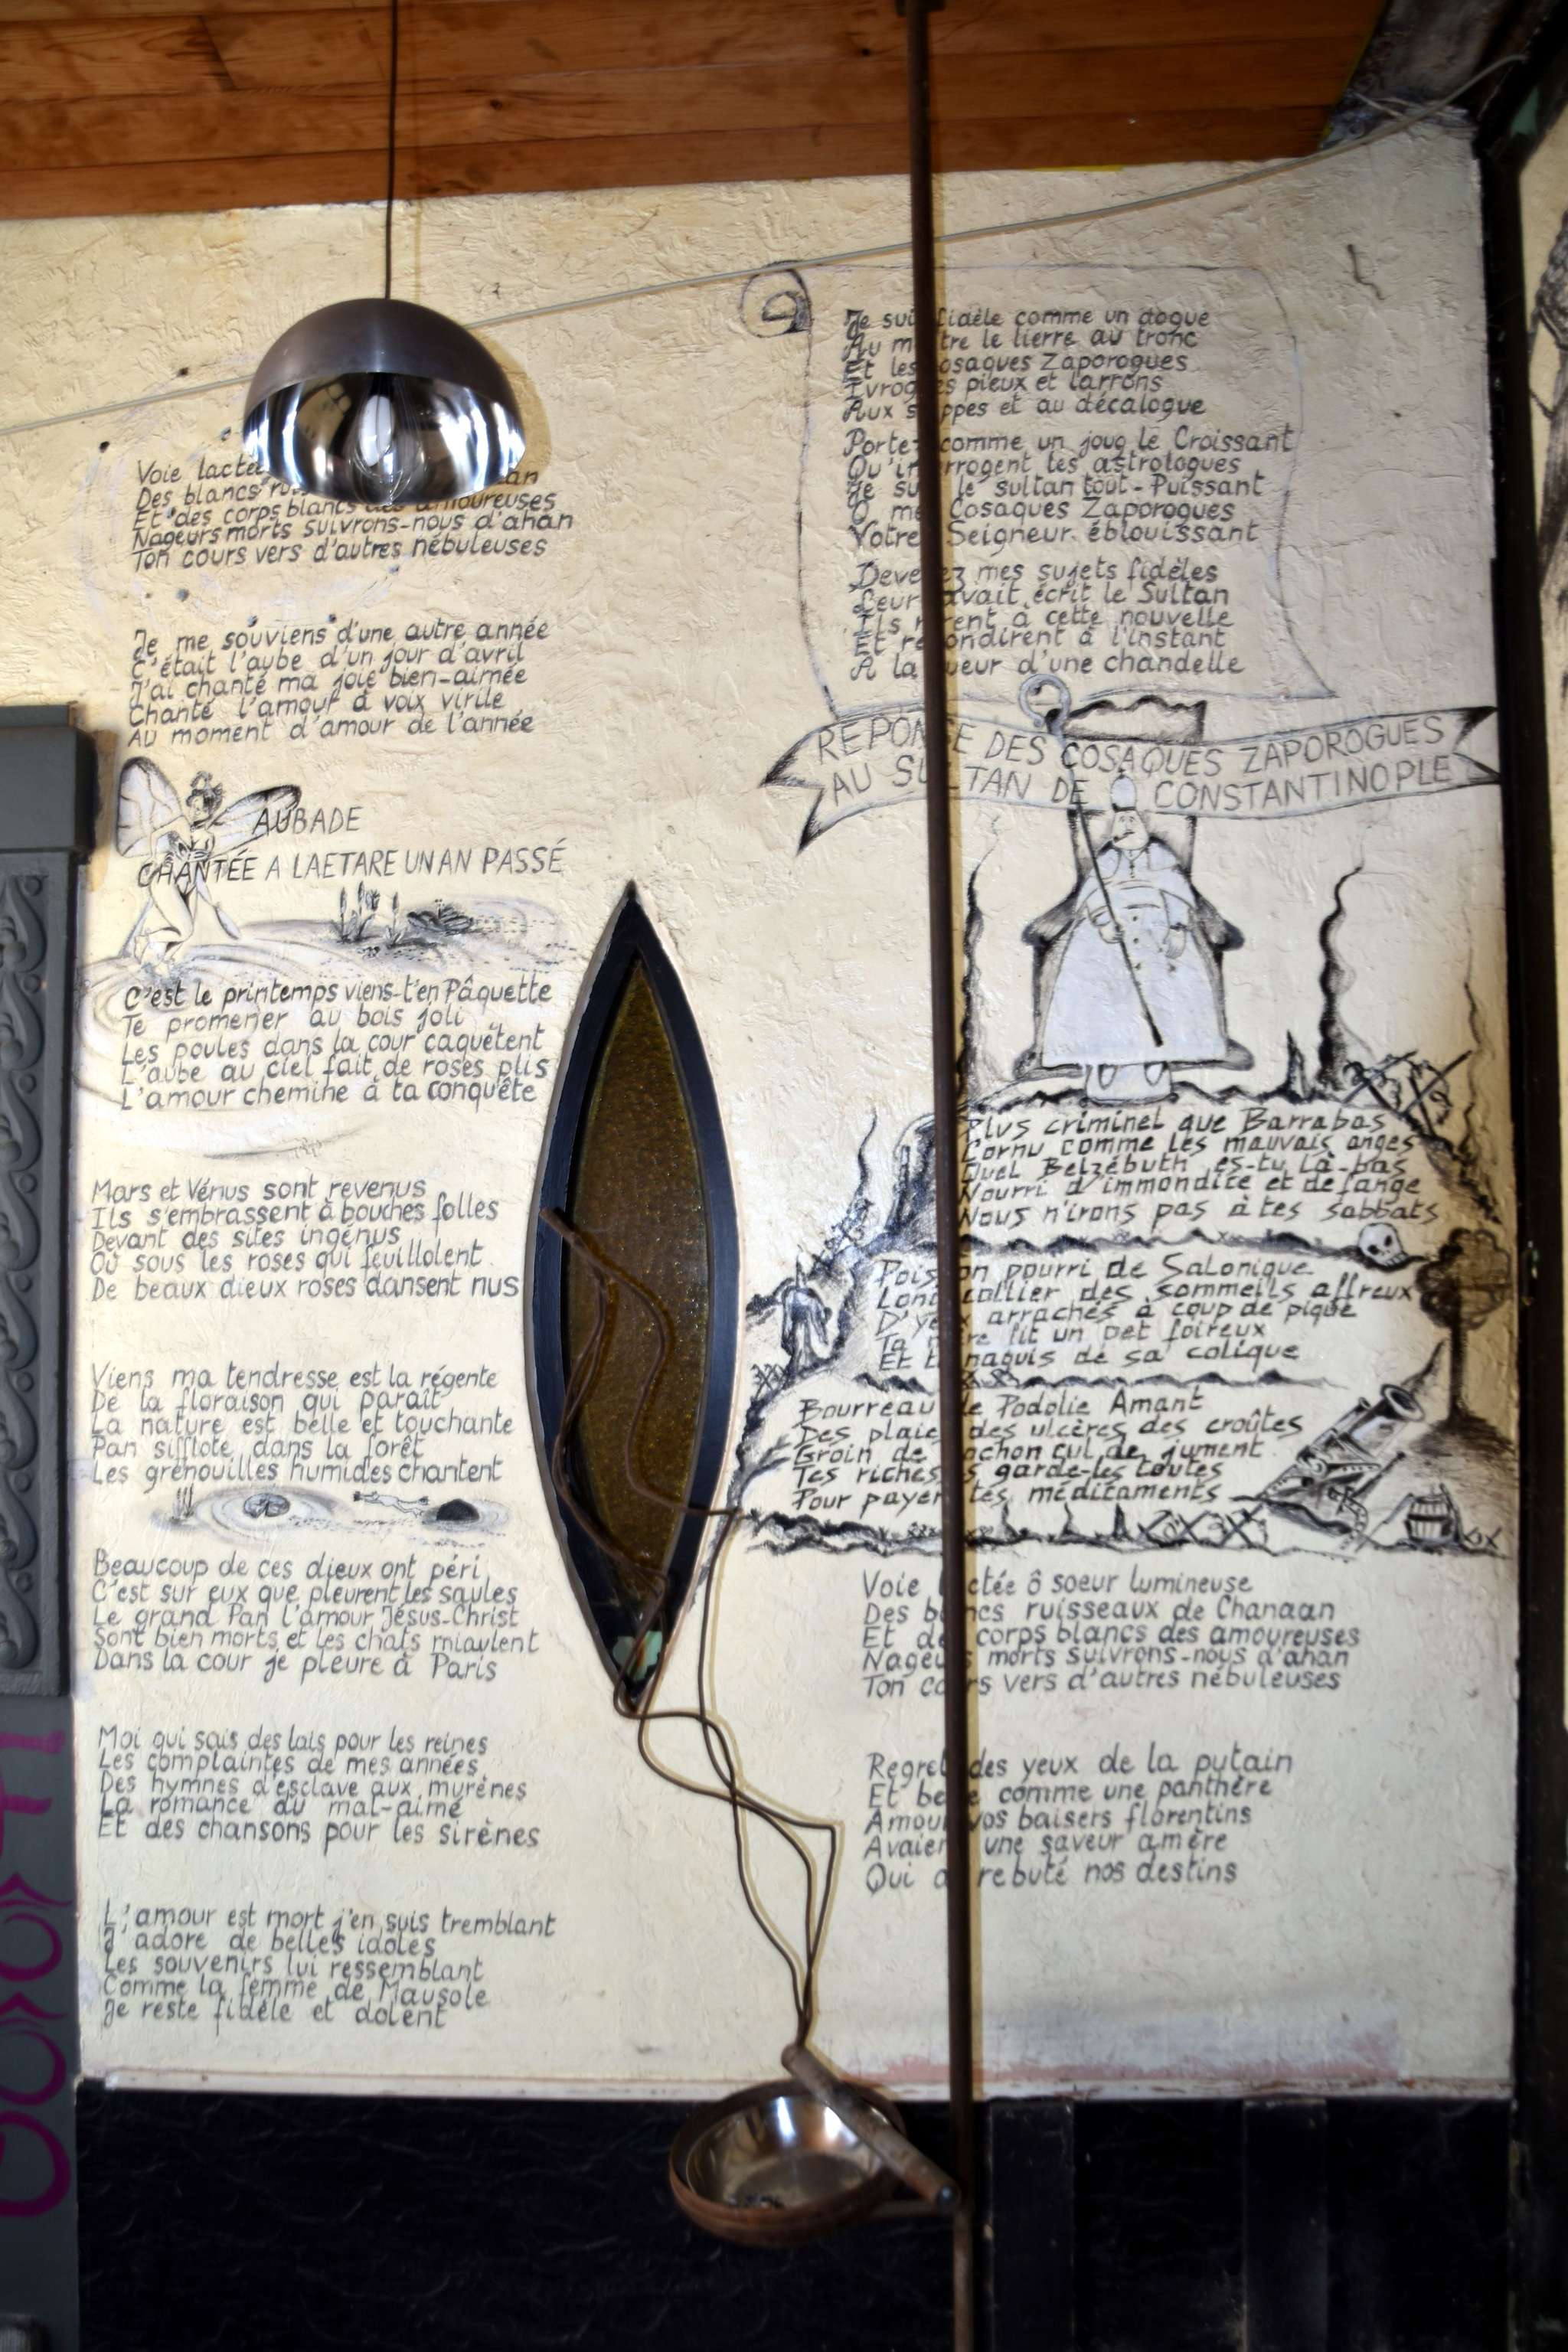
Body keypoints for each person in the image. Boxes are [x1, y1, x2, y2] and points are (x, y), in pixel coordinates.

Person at [1018, 774, 1249, 1102]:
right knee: (1102, 989)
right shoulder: (1106, 861)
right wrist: (1103, 922)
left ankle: (1158, 1057)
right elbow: (1093, 896)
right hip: (1110, 932)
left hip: (1157, 929)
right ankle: (1103, 1058)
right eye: (1121, 821)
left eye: (1132, 820)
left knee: (1167, 990)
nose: (1127, 827)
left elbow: (1178, 895)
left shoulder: (1162, 858)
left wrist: (1177, 928)